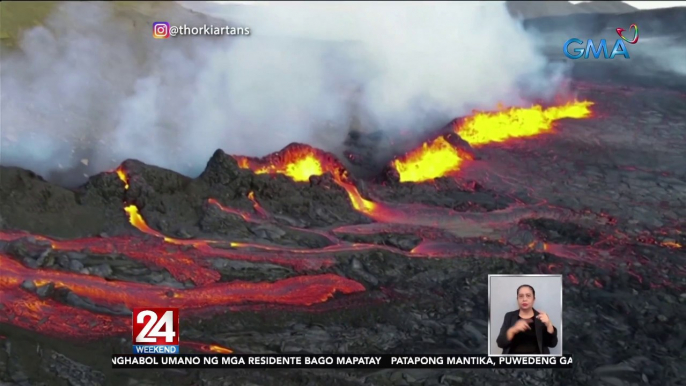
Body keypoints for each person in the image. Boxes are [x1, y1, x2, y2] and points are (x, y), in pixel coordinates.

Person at [496, 284, 558, 354]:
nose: (524, 299)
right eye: (521, 296)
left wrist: (549, 325)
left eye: (528, 296)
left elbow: (552, 344)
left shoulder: (542, 317)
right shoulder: (509, 316)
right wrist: (513, 330)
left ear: (533, 299)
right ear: (517, 299)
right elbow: (500, 343)